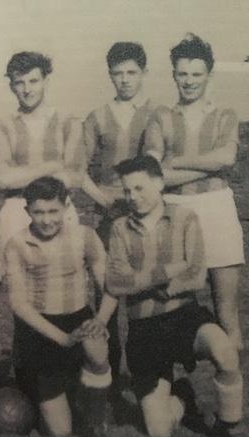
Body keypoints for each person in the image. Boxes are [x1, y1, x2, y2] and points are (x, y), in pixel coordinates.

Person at [106, 155, 248, 437]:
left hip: (184, 316)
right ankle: (182, 396)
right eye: (127, 191)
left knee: (224, 350)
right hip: (144, 328)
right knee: (159, 433)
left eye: (140, 188)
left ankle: (231, 425)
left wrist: (154, 286)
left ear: (160, 183)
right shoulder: (119, 227)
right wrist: (169, 272)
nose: (133, 197)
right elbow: (117, 283)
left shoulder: (185, 218)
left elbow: (196, 276)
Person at [144, 33, 245, 352]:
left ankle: (233, 394)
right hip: (174, 211)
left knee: (227, 313)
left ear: (209, 75)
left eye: (196, 74)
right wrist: (208, 166)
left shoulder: (225, 115)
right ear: (174, 74)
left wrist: (177, 161)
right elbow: (153, 175)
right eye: (183, 74)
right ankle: (174, 397)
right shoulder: (160, 117)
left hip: (217, 209)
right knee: (171, 310)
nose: (189, 82)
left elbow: (226, 158)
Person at [4, 176, 113, 437]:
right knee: (61, 432)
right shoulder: (17, 244)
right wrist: (62, 339)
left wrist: (100, 319)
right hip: (40, 329)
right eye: (38, 212)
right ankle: (71, 393)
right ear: (27, 210)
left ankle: (96, 419)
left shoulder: (85, 236)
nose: (46, 219)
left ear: (65, 207)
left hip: (78, 316)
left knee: (95, 345)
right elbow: (19, 305)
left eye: (53, 211)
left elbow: (111, 287)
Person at [82, 42, 160, 417]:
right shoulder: (97, 116)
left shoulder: (157, 114)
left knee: (147, 300)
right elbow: (76, 170)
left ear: (143, 73)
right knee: (107, 300)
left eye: (132, 72)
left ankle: (155, 380)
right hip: (109, 217)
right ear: (109, 75)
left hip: (145, 216)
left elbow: (161, 168)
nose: (125, 79)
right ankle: (106, 384)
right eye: (118, 73)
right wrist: (103, 199)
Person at [0, 51, 85, 275]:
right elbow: (4, 179)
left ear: (46, 80)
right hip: (17, 210)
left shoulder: (67, 122)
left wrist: (21, 175)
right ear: (12, 86)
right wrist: (52, 166)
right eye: (19, 83)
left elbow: (74, 177)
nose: (27, 89)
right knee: (19, 287)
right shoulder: (2, 127)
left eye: (34, 81)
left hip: (59, 208)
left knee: (65, 284)